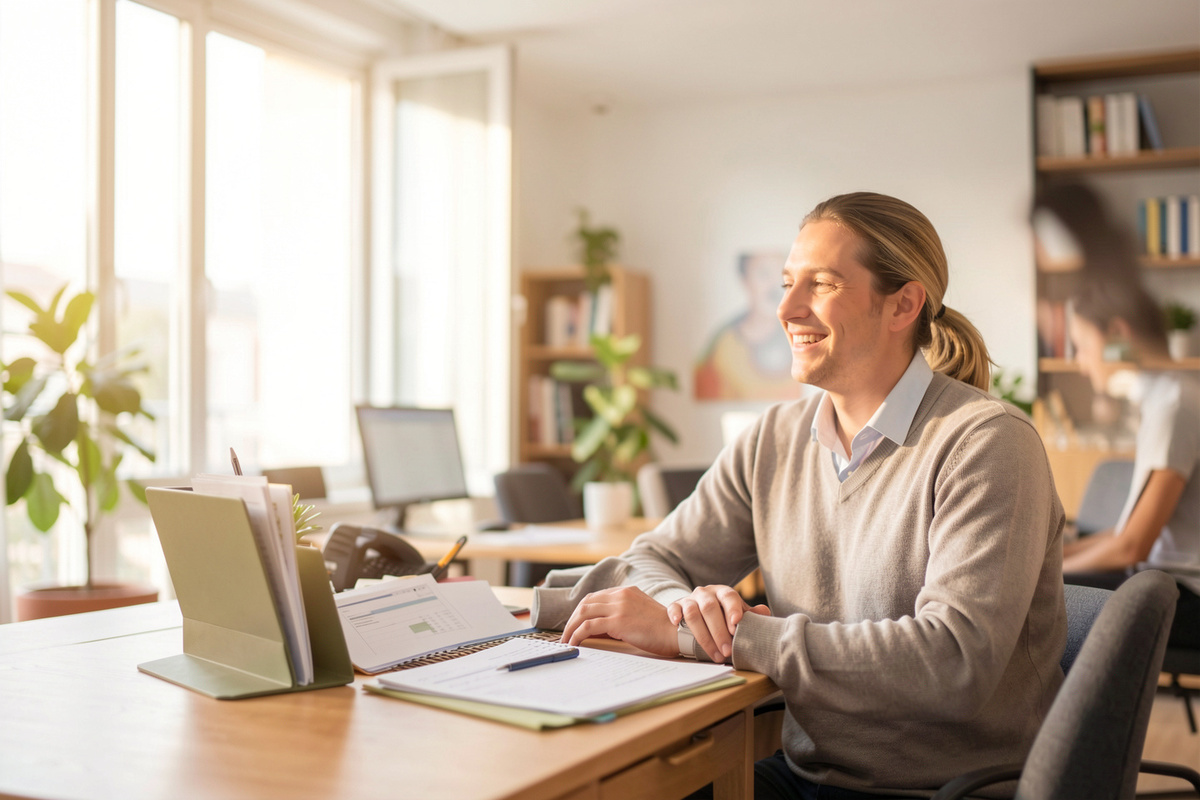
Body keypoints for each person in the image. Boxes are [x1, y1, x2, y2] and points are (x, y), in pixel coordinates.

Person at [531, 192, 1067, 798]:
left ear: (904, 304)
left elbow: (952, 663)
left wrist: (722, 638)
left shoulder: (987, 443)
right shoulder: (775, 438)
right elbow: (655, 559)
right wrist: (681, 611)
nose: (786, 307)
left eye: (823, 284)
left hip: (945, 788)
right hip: (811, 775)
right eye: (788, 282)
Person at [1061, 275, 1200, 650]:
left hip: (1184, 596)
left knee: (1041, 599)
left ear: (1117, 335)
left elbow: (1131, 547)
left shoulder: (1174, 406)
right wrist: (1058, 553)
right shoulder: (1165, 399)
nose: (1078, 361)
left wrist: (1045, 572)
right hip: (1166, 582)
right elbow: (1126, 534)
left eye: (1082, 346)